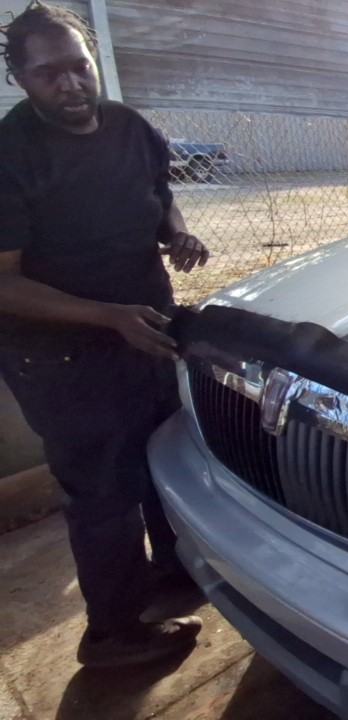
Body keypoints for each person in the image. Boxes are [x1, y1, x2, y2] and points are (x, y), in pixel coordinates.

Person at [0, 2, 209, 668]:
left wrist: (175, 231)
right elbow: (3, 283)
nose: (70, 84)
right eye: (48, 74)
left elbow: (158, 192)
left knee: (161, 461)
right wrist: (108, 315)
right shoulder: (10, 157)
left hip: (144, 329)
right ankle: (113, 635)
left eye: (79, 67)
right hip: (62, 356)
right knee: (102, 492)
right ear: (20, 79)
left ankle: (173, 574)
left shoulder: (128, 126)